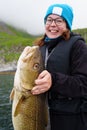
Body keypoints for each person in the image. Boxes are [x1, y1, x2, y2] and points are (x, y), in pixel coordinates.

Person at [31, 3, 87, 130]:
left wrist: (54, 80)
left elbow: (84, 84)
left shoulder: (78, 46)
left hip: (71, 119)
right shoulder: (40, 48)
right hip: (40, 116)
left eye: (58, 21)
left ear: (67, 24)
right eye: (49, 20)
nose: (52, 24)